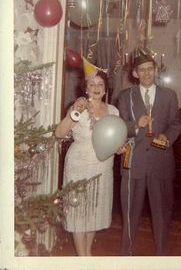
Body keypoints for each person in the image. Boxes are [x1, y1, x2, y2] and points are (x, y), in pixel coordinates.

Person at [117, 47, 181, 256]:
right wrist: (136, 125)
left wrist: (167, 137)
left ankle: (161, 255)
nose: (146, 73)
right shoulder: (125, 96)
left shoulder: (169, 95)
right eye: (141, 70)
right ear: (134, 73)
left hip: (160, 162)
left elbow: (176, 124)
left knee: (162, 213)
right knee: (130, 213)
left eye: (150, 69)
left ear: (156, 71)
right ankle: (126, 254)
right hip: (133, 162)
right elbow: (120, 127)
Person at [55, 58, 119, 256]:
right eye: (92, 84)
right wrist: (74, 112)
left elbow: (115, 140)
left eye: (100, 84)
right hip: (80, 166)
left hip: (103, 168)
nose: (96, 87)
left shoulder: (114, 111)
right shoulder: (78, 108)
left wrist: (120, 148)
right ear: (86, 87)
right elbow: (59, 133)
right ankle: (83, 259)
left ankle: (88, 252)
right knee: (79, 212)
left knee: (95, 212)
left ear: (106, 88)